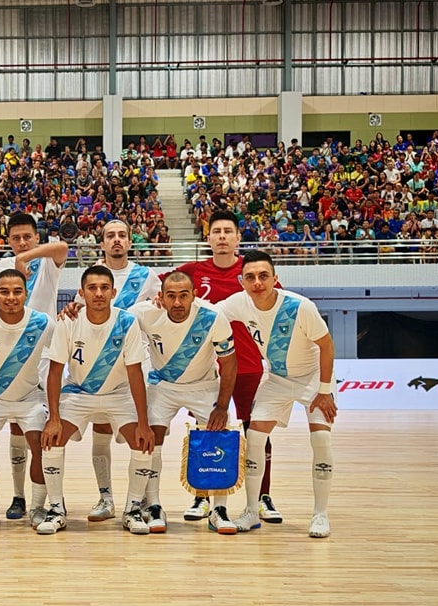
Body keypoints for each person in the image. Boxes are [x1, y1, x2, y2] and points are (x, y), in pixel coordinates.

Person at [164, 208, 281, 525]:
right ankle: (202, 497)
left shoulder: (253, 273)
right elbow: (156, 294)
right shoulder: (191, 272)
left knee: (255, 432)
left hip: (248, 367)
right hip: (203, 372)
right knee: (206, 432)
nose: (222, 237)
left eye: (228, 231)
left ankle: (261, 498)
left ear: (238, 237)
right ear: (208, 237)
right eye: (216, 232)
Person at [218, 250, 337, 538]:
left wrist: (323, 391)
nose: (257, 282)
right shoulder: (237, 303)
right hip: (276, 377)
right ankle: (250, 510)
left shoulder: (300, 307)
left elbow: (327, 345)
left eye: (263, 276)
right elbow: (204, 310)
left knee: (321, 438)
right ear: (241, 281)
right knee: (255, 436)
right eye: (250, 277)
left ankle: (320, 514)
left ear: (275, 279)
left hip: (312, 379)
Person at [40, 265, 155, 535]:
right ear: (81, 293)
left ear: (114, 292)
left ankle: (133, 508)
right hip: (79, 392)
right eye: (92, 288)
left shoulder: (127, 322)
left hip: (118, 394)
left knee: (143, 443)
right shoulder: (68, 321)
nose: (99, 293)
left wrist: (143, 422)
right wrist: (53, 419)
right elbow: (55, 372)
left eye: (104, 288)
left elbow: (135, 373)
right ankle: (56, 508)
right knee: (51, 440)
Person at [63, 219, 160, 522]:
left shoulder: (148, 277)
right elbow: (78, 315)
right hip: (95, 367)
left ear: (130, 241)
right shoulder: (91, 278)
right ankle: (105, 497)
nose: (116, 240)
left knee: (144, 436)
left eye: (121, 235)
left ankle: (144, 499)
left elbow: (160, 313)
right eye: (110, 236)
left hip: (133, 366)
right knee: (101, 432)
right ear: (101, 243)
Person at [129, 271, 238, 534]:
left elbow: (229, 363)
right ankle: (153, 505)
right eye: (171, 296)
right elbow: (108, 317)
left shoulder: (213, 317)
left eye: (183, 296)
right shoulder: (144, 313)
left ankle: (218, 509)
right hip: (162, 385)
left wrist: (222, 407)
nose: (177, 303)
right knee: (150, 440)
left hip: (204, 386)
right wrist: (76, 308)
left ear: (194, 295)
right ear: (161, 297)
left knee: (220, 437)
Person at [0, 212, 68, 520]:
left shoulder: (47, 261)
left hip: (43, 354)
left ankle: (43, 499)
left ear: (37, 237)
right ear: (7, 240)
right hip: (9, 355)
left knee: (41, 432)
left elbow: (61, 246)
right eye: (15, 238)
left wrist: (25, 257)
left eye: (27, 237)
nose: (21, 242)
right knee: (16, 429)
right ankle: (18, 496)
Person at [0, 269, 55, 529]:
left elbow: (62, 351)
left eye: (17, 291)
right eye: (4, 292)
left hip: (30, 397)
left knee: (41, 446)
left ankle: (39, 507)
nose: (11, 297)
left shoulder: (43, 323)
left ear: (26, 294)